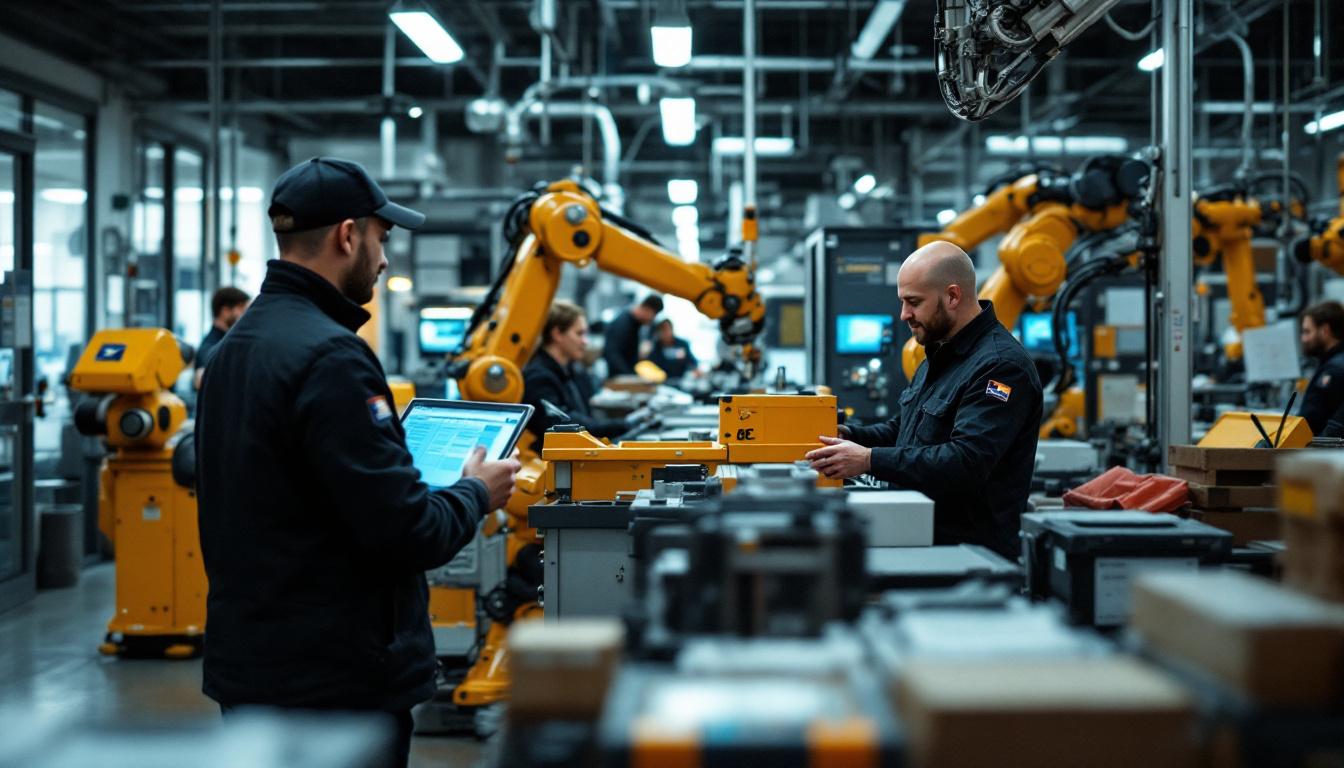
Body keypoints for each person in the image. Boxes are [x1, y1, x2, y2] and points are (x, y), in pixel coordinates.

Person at [195, 157, 521, 768]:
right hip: (335, 682)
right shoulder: (331, 357)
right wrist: (476, 492)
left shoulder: (237, 348)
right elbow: (407, 530)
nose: (385, 258)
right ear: (349, 235)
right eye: (382, 238)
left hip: (255, 664)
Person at [804, 241, 1043, 559]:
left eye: (913, 302)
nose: (904, 315)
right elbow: (903, 430)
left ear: (953, 296)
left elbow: (966, 461)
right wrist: (849, 437)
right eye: (903, 302)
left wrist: (869, 460)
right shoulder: (939, 353)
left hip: (969, 557)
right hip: (918, 536)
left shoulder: (1000, 366)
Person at [523, 300, 635, 441]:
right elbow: (569, 425)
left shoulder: (570, 371)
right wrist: (625, 424)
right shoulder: (539, 378)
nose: (585, 341)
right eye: (579, 333)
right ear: (557, 334)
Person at [1299, 300, 1344, 438]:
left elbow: (1309, 420)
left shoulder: (1333, 370)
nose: (1303, 338)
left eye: (1307, 332)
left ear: (1325, 330)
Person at [193, 287, 250, 390]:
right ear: (225, 311)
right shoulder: (210, 347)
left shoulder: (227, 341)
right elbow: (200, 379)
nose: (245, 316)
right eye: (242, 310)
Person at [602, 295, 663, 377]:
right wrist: (629, 374)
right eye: (654, 315)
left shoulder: (636, 324)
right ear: (647, 309)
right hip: (619, 378)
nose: (652, 319)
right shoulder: (622, 323)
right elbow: (612, 353)